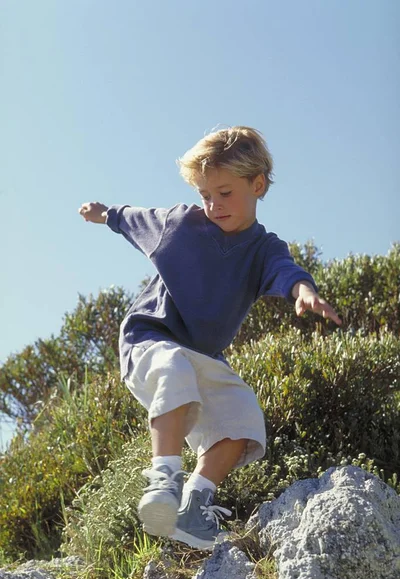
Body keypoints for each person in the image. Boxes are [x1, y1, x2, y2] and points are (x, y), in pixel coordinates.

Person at [78, 125, 341, 550]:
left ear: (258, 185)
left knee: (242, 415)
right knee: (173, 369)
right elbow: (132, 219)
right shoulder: (180, 225)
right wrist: (104, 213)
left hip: (204, 353)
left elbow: (285, 271)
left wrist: (303, 291)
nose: (214, 205)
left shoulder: (265, 248)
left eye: (224, 193)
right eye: (206, 195)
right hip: (149, 338)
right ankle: (163, 480)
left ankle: (194, 506)